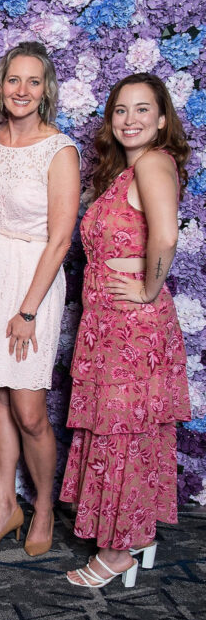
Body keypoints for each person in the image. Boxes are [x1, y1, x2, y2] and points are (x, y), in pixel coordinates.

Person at [59, 74, 190, 588]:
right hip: (106, 327)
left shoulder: (154, 162)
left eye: (142, 110)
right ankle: (136, 535)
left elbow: (166, 234)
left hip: (132, 329)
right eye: (120, 110)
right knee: (125, 434)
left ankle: (118, 552)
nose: (129, 119)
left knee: (125, 435)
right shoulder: (124, 172)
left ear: (162, 120)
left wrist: (148, 290)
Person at [0, 42, 80, 555]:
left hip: (33, 278)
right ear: (1, 86)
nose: (22, 91)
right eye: (14, 81)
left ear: (45, 89)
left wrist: (27, 310)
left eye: (33, 82)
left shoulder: (60, 150)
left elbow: (60, 239)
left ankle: (44, 508)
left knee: (29, 409)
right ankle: (4, 507)